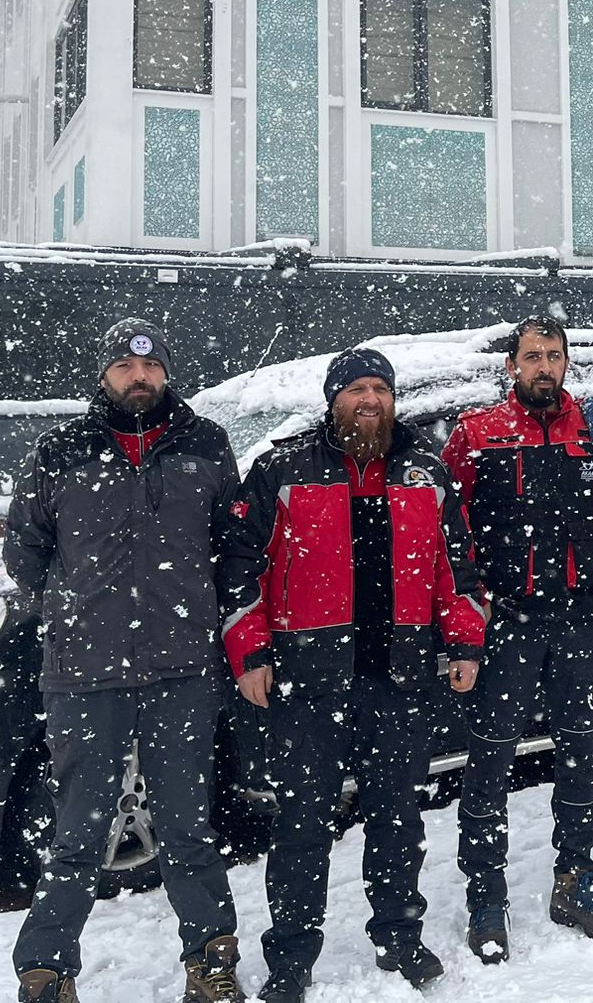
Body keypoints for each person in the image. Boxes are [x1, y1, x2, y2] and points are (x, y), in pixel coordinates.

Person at [219, 348, 484, 999]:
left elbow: (458, 566)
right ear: (333, 398)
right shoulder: (283, 468)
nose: (371, 400)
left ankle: (399, 934)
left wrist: (466, 643)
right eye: (356, 389)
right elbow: (236, 568)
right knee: (302, 826)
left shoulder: (425, 471)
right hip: (309, 683)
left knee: (398, 819)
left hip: (400, 679)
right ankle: (290, 959)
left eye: (381, 389)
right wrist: (250, 653)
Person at [3, 319, 244, 1003]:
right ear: (104, 374)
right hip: (84, 672)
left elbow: (234, 548)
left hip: (181, 670)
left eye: (151, 367)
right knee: (79, 832)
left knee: (186, 827)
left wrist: (201, 620)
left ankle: (211, 960)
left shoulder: (205, 444)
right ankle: (46, 972)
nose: (139, 378)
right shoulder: (61, 449)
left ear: (165, 372)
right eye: (125, 367)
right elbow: (25, 553)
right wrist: (71, 612)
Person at [442, 318, 593, 960]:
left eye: (554, 357)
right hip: (507, 624)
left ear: (566, 364)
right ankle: (486, 895)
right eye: (533, 357)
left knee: (581, 751)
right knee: (491, 759)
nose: (544, 367)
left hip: (580, 620)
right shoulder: (476, 434)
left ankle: (575, 879)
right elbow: (453, 535)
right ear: (512, 367)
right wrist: (470, 616)